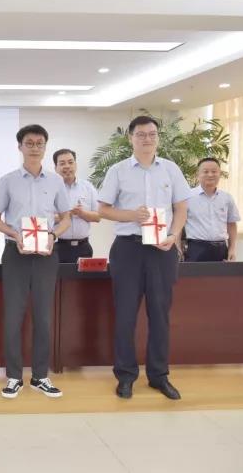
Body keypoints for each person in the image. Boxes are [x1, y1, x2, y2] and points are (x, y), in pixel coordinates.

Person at [98, 115, 190, 400]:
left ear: (157, 137)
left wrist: (174, 235)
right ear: (131, 138)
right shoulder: (118, 170)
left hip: (162, 250)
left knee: (160, 315)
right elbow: (103, 209)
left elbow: (181, 208)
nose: (147, 139)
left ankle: (159, 376)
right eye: (141, 134)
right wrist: (131, 215)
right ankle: (125, 376)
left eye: (152, 134)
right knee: (125, 315)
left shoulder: (171, 169)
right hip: (128, 249)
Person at [0, 124, 71, 399]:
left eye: (39, 143)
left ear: (45, 147)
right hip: (16, 253)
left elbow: (66, 217)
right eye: (29, 143)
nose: (34, 147)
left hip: (46, 254)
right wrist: (14, 234)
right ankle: (14, 376)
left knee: (43, 317)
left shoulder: (55, 181)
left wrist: (52, 235)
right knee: (13, 316)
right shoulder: (8, 180)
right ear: (20, 147)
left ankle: (40, 376)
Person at [184, 158, 240, 262]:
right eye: (205, 172)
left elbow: (231, 224)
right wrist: (178, 246)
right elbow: (179, 223)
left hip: (221, 249)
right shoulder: (187, 197)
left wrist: (232, 249)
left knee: (221, 273)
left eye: (214, 171)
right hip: (196, 248)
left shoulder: (227, 198)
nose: (210, 175)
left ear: (220, 174)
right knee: (195, 273)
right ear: (198, 174)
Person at [52, 148, 100, 263]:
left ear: (76, 165)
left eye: (70, 162)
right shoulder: (50, 189)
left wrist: (82, 213)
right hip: (58, 247)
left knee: (83, 276)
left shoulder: (88, 187)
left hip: (83, 247)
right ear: (56, 168)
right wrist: (65, 216)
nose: (67, 166)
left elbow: (98, 216)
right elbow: (43, 219)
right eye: (62, 163)